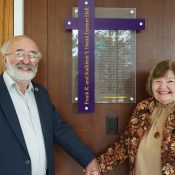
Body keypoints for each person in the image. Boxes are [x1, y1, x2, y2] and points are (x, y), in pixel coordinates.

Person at [0, 35, 101, 175]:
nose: (27, 60)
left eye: (33, 55)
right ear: (4, 58)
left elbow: (60, 130)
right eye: (19, 53)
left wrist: (88, 160)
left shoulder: (41, 94)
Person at [97, 60, 175, 175]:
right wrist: (98, 166)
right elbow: (126, 143)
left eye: (170, 81)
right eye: (158, 81)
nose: (163, 86)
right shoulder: (143, 107)